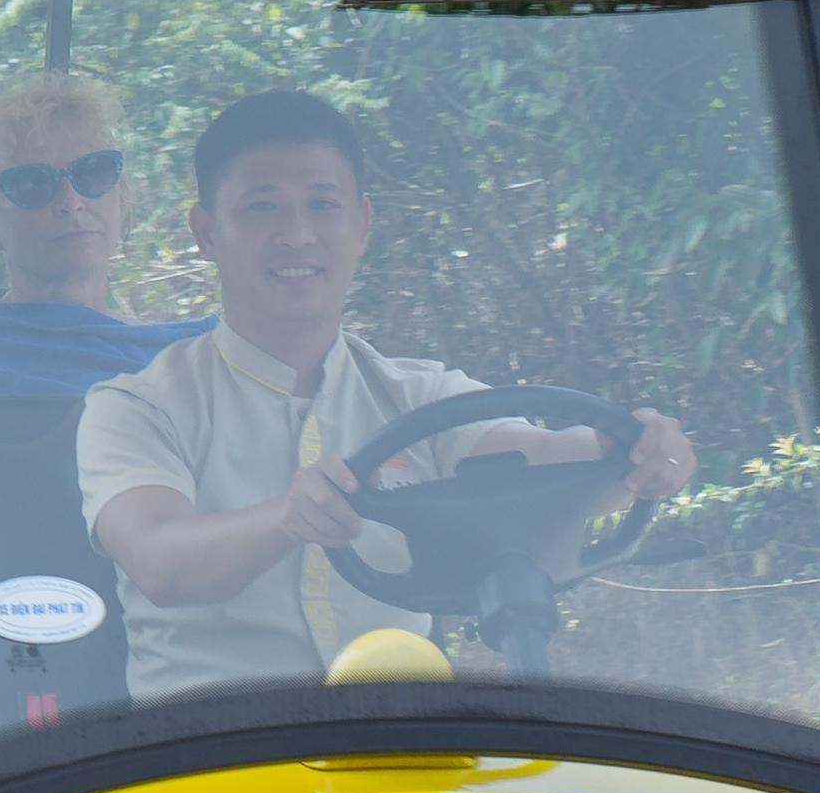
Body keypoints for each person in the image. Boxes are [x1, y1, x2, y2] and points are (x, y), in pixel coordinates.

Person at [76, 88, 692, 702]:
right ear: (206, 232)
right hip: (208, 769)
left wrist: (633, 450)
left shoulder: (421, 397)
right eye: (263, 208)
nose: (297, 235)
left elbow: (559, 464)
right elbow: (158, 561)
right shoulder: (135, 407)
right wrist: (287, 521)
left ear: (362, 225)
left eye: (323, 205)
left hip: (400, 754)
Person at [0, 72, 206, 399]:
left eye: (93, 171)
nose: (71, 203)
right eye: (31, 183)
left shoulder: (188, 357)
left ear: (121, 196)